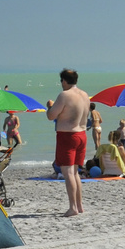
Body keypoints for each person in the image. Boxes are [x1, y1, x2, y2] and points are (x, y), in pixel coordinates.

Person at [46, 68, 90, 217]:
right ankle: (79, 205)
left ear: (64, 81)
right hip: (82, 134)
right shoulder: (85, 95)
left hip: (68, 135)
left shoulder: (64, 95)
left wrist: (49, 106)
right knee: (75, 172)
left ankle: (73, 207)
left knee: (68, 172)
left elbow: (51, 116)